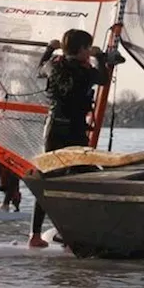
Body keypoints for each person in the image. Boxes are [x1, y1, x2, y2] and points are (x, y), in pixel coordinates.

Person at [29, 29, 111, 248]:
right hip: (74, 130)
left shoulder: (53, 65)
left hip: (53, 127)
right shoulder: (86, 71)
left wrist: (49, 49)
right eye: (88, 48)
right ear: (83, 50)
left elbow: (38, 70)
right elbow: (104, 78)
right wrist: (100, 57)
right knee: (80, 179)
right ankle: (74, 231)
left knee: (47, 178)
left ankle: (35, 235)